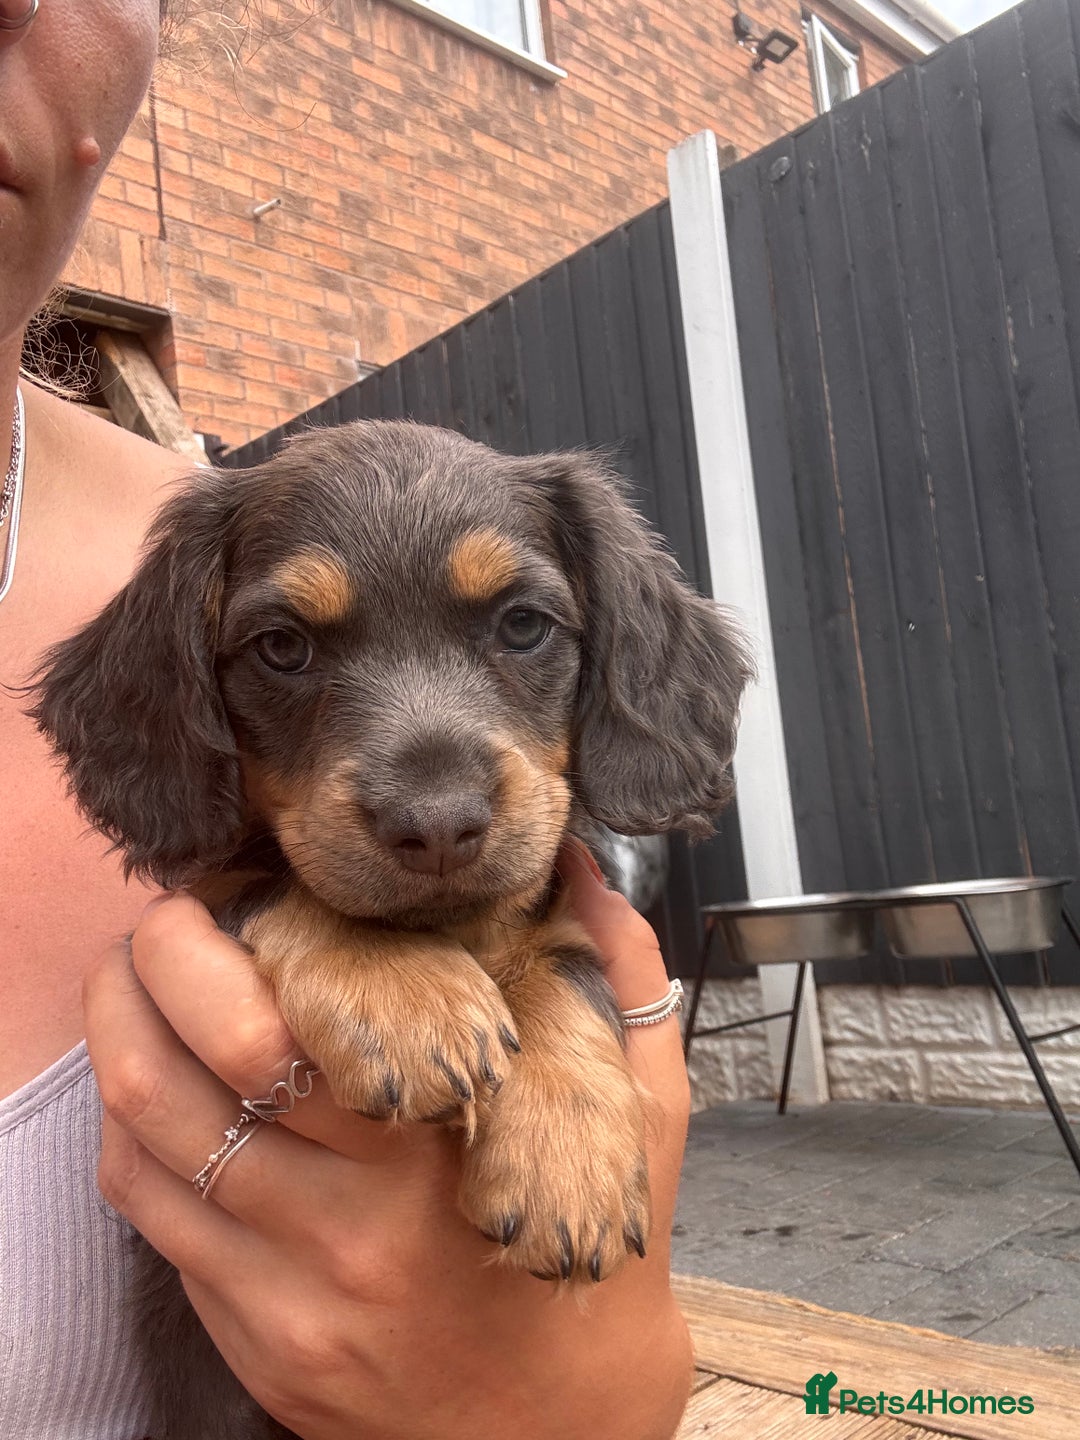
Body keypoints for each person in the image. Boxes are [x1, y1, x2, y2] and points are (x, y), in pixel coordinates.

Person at [0, 2, 695, 1436]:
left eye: (521, 630)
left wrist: (596, 1397)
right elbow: (211, 899)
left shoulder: (192, 532)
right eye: (287, 651)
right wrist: (309, 937)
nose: (435, 804)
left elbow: (574, 955)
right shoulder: (186, 590)